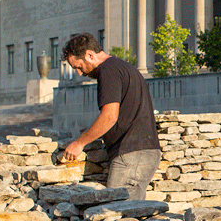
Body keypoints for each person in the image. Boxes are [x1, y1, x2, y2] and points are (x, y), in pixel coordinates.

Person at [59, 34, 161, 199]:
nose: (79, 73)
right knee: (130, 216)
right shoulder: (121, 66)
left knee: (116, 213)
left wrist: (79, 143)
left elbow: (110, 116)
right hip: (141, 152)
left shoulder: (108, 71)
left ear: (89, 55)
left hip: (132, 153)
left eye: (79, 66)